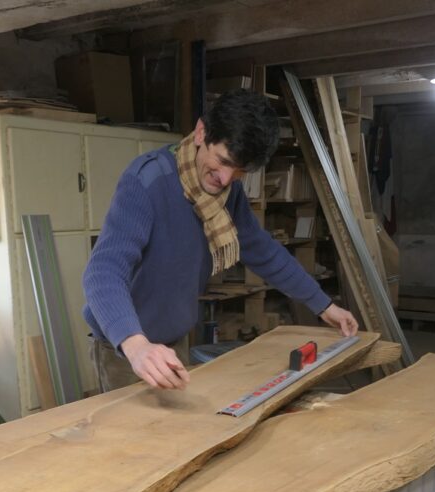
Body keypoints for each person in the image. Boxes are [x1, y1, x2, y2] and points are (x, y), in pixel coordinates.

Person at [82, 89, 358, 392]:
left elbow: (263, 251)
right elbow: (103, 271)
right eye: (223, 161)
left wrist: (323, 305)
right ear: (202, 132)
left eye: (239, 171)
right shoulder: (146, 181)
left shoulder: (228, 194)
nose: (226, 179)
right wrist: (136, 346)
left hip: (173, 341)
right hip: (127, 348)